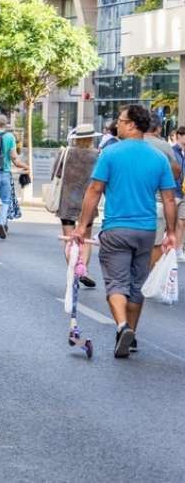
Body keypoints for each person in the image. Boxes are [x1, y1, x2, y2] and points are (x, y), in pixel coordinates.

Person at [72, 105, 177, 359]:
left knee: (116, 283)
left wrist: (82, 226)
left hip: (116, 229)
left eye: (120, 120)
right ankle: (131, 336)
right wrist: (172, 232)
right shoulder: (159, 158)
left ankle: (122, 327)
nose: (116, 124)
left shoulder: (111, 153)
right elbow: (169, 199)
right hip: (146, 231)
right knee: (137, 285)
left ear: (132, 125)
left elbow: (95, 190)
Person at [52, 124, 101, 287]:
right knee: (85, 239)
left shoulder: (65, 153)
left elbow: (56, 174)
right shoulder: (97, 155)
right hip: (88, 203)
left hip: (66, 201)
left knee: (69, 239)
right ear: (92, 138)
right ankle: (82, 269)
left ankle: (74, 270)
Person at [143, 122, 182, 267]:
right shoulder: (164, 146)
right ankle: (149, 275)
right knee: (156, 244)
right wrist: (171, 232)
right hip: (157, 202)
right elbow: (176, 172)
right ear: (158, 128)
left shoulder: (130, 143)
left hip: (132, 203)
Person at [172, 127, 185, 260]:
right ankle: (170, 248)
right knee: (172, 221)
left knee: (182, 222)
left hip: (184, 192)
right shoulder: (172, 151)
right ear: (179, 136)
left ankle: (178, 249)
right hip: (174, 190)